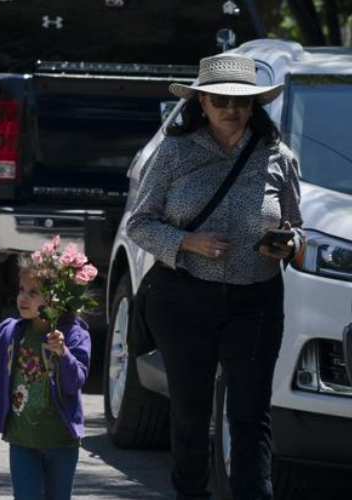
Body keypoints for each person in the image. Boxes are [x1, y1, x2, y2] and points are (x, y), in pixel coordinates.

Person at [127, 53, 300, 500]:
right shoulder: (174, 152)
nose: (231, 109)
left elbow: (297, 228)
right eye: (220, 100)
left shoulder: (278, 156)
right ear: (201, 102)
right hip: (184, 299)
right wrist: (188, 243)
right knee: (190, 413)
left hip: (256, 300)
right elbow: (139, 223)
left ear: (255, 106)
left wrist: (288, 244)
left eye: (242, 102)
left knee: (250, 414)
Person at [0, 254, 91, 500]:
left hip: (61, 441)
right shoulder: (11, 331)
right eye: (21, 289)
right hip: (22, 441)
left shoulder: (73, 334)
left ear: (57, 298)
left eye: (34, 292)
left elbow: (73, 382)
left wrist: (63, 354)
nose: (23, 297)